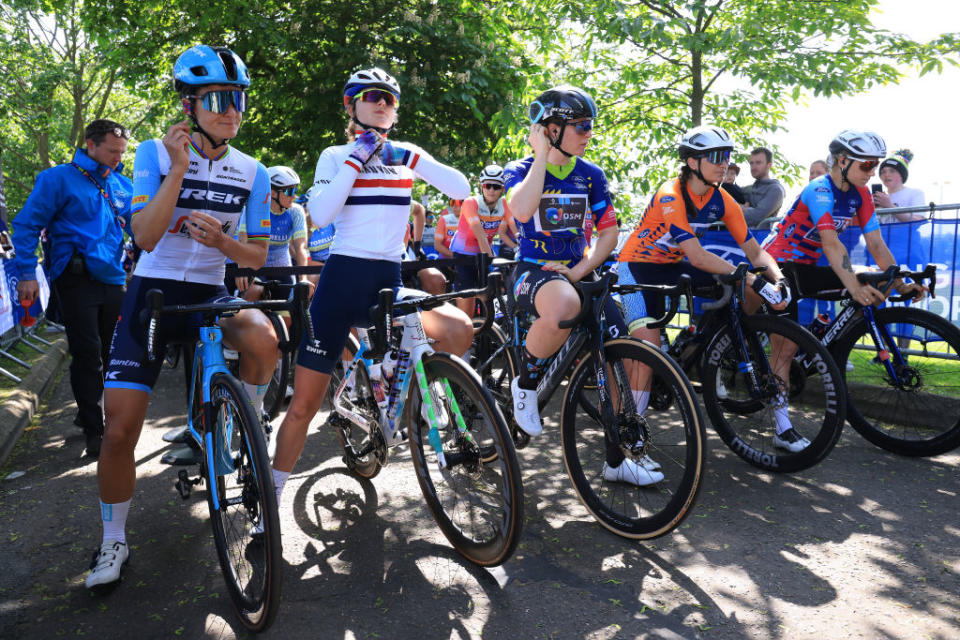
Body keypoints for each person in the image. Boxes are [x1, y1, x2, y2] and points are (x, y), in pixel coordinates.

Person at [86, 45, 280, 590]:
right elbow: (145, 236)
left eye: (239, 100)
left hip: (209, 292)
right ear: (190, 104)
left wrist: (224, 241)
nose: (232, 111)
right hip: (152, 294)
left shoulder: (254, 171)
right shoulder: (151, 152)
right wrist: (177, 169)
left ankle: (244, 421)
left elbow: (258, 256)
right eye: (219, 99)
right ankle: (113, 541)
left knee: (264, 338)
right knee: (119, 428)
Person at [270, 67, 473, 512]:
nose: (381, 103)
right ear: (351, 105)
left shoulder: (407, 155)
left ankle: (418, 405)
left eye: (389, 98)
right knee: (303, 407)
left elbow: (462, 188)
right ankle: (271, 495)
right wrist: (356, 160)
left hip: (386, 284)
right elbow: (320, 213)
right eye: (371, 96)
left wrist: (408, 157)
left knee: (458, 327)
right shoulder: (334, 154)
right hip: (341, 286)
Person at [504, 85, 652, 484]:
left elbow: (608, 232)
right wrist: (539, 158)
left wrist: (578, 270)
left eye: (591, 126)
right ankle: (526, 382)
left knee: (617, 353)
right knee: (564, 306)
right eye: (581, 126)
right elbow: (519, 210)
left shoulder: (592, 175)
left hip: (574, 274)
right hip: (532, 271)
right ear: (551, 130)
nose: (589, 133)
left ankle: (619, 459)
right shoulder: (520, 169)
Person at [616, 125, 794, 450]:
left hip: (672, 265)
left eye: (727, 156)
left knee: (749, 289)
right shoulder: (670, 193)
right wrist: (750, 276)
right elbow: (697, 256)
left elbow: (755, 251)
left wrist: (776, 277)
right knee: (648, 352)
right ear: (693, 161)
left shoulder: (721, 198)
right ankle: (630, 442)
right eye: (715, 156)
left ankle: (709, 344)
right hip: (638, 266)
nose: (723, 163)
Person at [762, 129, 927, 404]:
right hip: (777, 265)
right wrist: (853, 286)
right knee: (785, 346)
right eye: (866, 164)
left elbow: (876, 244)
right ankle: (781, 427)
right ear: (842, 160)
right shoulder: (820, 189)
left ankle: (825, 348)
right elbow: (831, 244)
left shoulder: (861, 194)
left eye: (874, 164)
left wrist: (899, 283)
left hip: (805, 268)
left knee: (871, 278)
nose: (872, 172)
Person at [12, 119, 132, 458]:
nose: (117, 157)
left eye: (121, 152)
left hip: (113, 279)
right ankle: (96, 431)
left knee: (116, 355)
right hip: (75, 278)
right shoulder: (56, 179)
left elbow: (139, 226)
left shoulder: (121, 184)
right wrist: (26, 272)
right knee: (88, 353)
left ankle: (91, 413)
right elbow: (25, 225)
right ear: (90, 145)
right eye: (111, 151)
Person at [235, 165, 313, 302]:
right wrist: (242, 269)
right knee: (255, 292)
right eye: (289, 191)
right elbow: (243, 239)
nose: (294, 196)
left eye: (295, 190)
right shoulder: (254, 208)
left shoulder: (296, 211)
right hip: (256, 265)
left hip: (282, 266)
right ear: (272, 192)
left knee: (292, 306)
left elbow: (301, 247)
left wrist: (304, 278)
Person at [448, 164, 516, 315]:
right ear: (481, 187)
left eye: (496, 186)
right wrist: (494, 263)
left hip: (483, 253)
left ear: (502, 189)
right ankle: (466, 330)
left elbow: (515, 230)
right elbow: (481, 237)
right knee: (470, 297)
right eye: (487, 185)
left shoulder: (505, 204)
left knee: (487, 296)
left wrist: (521, 248)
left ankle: (485, 332)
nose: (491, 190)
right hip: (463, 254)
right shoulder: (470, 203)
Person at [875, 149, 926, 222]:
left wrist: (890, 206)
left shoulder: (915, 193)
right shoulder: (880, 198)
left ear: (902, 175)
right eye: (883, 172)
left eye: (892, 171)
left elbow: (918, 220)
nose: (887, 175)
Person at [742, 147, 786, 229]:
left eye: (758, 163)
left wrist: (732, 210)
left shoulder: (775, 190)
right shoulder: (749, 188)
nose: (753, 167)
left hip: (759, 238)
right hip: (735, 237)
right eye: (751, 163)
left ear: (769, 165)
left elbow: (755, 217)